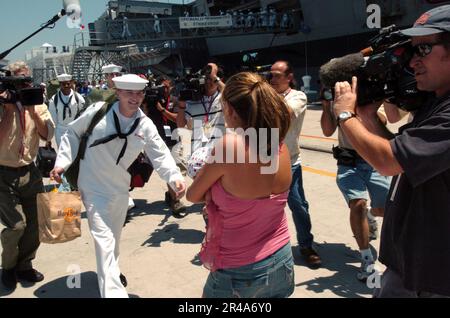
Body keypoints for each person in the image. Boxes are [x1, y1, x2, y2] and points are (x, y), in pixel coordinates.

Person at [331, 5, 450, 297]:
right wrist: (369, 118)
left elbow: (388, 161)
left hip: (434, 276)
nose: (412, 63)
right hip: (410, 264)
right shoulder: (435, 102)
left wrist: (346, 116)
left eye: (422, 49)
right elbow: (400, 153)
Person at [50, 74, 186, 298]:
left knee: (113, 238)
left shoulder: (145, 124)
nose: (135, 98)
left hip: (119, 188)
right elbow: (72, 132)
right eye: (129, 93)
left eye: (139, 93)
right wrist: (62, 163)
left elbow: (160, 154)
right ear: (119, 93)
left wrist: (174, 177)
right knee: (103, 240)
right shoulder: (99, 111)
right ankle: (113, 292)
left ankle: (112, 271)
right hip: (92, 186)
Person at [186, 72, 295, 298]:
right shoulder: (278, 143)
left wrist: (211, 191)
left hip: (239, 271)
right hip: (281, 259)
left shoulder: (230, 147)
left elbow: (192, 195)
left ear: (230, 110)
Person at [320, 83, 391, 281]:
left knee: (384, 209)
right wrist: (327, 105)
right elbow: (327, 131)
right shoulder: (339, 100)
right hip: (348, 163)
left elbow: (380, 121)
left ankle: (371, 215)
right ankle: (366, 258)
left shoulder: (372, 96)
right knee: (357, 204)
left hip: (373, 160)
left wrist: (353, 108)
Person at [0, 61, 55, 290]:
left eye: (26, 80)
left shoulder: (36, 102)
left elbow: (47, 135)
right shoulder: (2, 105)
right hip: (3, 171)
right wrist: (9, 111)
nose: (23, 85)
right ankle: (9, 267)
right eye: (18, 81)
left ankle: (25, 265)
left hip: (30, 170)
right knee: (16, 226)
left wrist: (33, 111)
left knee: (35, 223)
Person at [270, 60, 322, 268]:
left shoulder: (297, 97)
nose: (272, 79)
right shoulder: (268, 96)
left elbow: (285, 114)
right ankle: (269, 248)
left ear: (289, 77)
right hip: (265, 161)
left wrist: (264, 96)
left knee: (298, 205)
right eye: (270, 75)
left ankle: (306, 246)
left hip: (289, 161)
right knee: (266, 208)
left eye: (277, 76)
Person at [141, 75, 187, 216]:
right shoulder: (151, 100)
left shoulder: (175, 100)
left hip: (174, 138)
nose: (165, 90)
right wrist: (146, 105)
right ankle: (175, 200)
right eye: (162, 87)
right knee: (169, 167)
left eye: (167, 87)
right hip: (158, 140)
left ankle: (171, 195)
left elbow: (179, 120)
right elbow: (143, 117)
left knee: (177, 168)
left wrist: (162, 110)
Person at [177, 63, 226, 160]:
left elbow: (232, 94)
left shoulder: (223, 98)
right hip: (198, 155)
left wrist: (214, 76)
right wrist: (181, 106)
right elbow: (181, 125)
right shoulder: (192, 100)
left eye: (212, 79)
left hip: (219, 153)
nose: (209, 82)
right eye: (207, 79)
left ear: (219, 80)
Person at [48, 74, 85, 147]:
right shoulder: (54, 100)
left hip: (75, 130)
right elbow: (53, 121)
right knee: (63, 154)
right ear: (60, 85)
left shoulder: (78, 98)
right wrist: (49, 138)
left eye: (68, 83)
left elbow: (83, 116)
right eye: (63, 84)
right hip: (60, 131)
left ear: (71, 83)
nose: (66, 86)